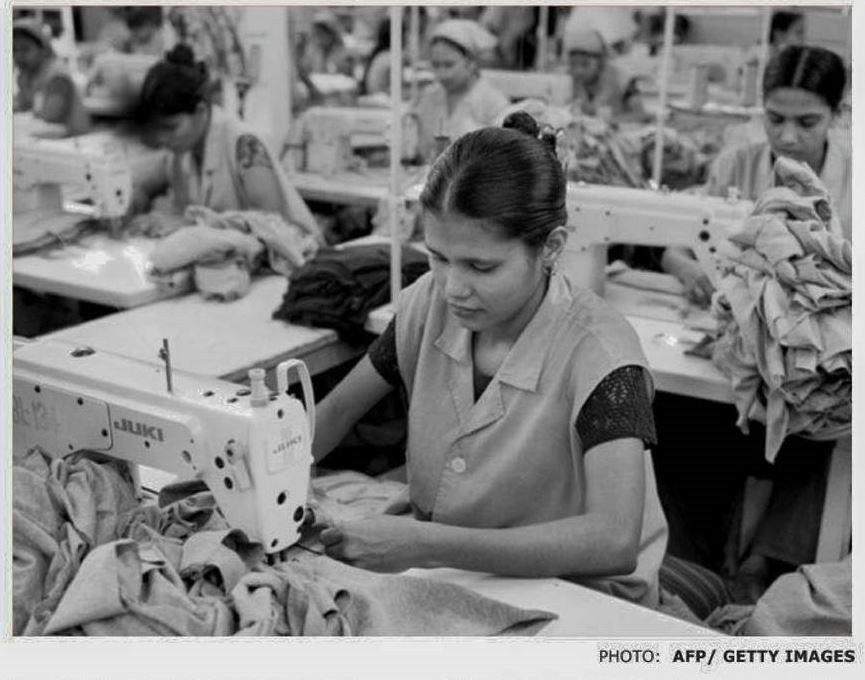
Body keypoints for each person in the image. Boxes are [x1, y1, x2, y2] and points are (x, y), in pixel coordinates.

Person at [312, 112, 669, 608]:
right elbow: (333, 414)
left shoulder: (602, 354)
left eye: (481, 266)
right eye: (438, 257)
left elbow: (613, 541)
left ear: (551, 247)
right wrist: (266, 469)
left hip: (579, 592)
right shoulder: (428, 304)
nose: (452, 287)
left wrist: (426, 545)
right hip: (457, 568)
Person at [662, 45, 851, 305]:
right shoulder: (735, 165)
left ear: (837, 113)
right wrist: (688, 270)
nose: (788, 137)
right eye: (775, 119)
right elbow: (676, 250)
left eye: (807, 123)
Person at [130, 44, 320, 240]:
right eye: (157, 129)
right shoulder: (180, 151)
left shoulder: (245, 144)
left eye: (171, 128)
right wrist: (137, 208)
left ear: (201, 111)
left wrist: (189, 225)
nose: (162, 138)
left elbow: (271, 222)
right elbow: (141, 184)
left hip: (295, 252)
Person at [412, 19, 509, 162]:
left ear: (471, 63)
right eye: (436, 65)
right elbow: (420, 152)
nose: (442, 74)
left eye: (449, 65)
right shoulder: (429, 98)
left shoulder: (494, 104)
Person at [12, 18, 89, 136]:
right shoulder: (26, 75)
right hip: (45, 136)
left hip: (72, 138)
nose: (18, 56)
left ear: (43, 49)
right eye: (14, 49)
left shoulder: (57, 75)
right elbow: (22, 107)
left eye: (25, 49)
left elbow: (51, 116)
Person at [562, 24, 646, 121]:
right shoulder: (571, 81)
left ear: (600, 61)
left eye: (585, 64)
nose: (578, 71)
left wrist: (611, 120)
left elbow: (642, 115)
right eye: (573, 64)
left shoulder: (622, 80)